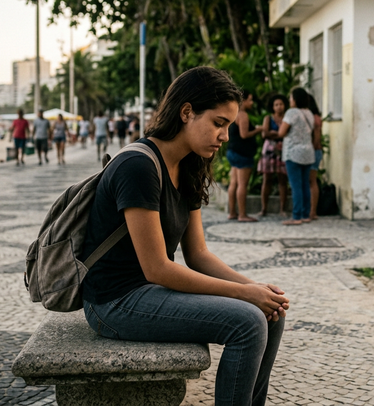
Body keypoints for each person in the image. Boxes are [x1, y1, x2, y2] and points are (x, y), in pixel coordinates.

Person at [81, 66, 287, 406]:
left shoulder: (189, 164)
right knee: (248, 323)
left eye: (229, 127)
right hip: (114, 302)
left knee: (270, 313)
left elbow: (199, 254)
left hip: (150, 292)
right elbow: (158, 268)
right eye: (219, 123)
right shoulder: (138, 166)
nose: (225, 136)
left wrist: (257, 289)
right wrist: (244, 294)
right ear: (187, 112)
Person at [277, 87, 315, 225]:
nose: (289, 100)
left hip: (293, 153)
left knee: (295, 186)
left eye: (291, 97)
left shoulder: (292, 112)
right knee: (305, 184)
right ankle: (305, 215)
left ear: (295, 99)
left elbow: (281, 133)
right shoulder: (309, 113)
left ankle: (296, 216)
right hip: (308, 152)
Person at [226, 92, 263, 222]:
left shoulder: (233, 113)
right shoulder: (242, 115)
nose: (252, 103)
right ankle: (242, 214)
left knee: (234, 183)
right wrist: (259, 129)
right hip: (242, 153)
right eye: (250, 100)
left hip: (233, 151)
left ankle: (232, 212)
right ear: (243, 100)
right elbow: (244, 134)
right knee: (242, 185)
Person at [257, 93, 288, 217]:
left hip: (283, 151)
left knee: (282, 180)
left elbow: (285, 134)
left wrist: (273, 133)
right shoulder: (268, 118)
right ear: (272, 106)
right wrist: (278, 134)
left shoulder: (287, 118)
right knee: (267, 179)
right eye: (276, 105)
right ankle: (264, 209)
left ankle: (282, 209)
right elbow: (264, 134)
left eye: (281, 104)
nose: (279, 107)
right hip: (269, 151)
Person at [307, 94, 323, 220]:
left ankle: (313, 211)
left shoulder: (314, 118)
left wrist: (310, 149)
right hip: (313, 151)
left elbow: (317, 138)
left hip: (314, 151)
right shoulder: (312, 117)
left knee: (312, 181)